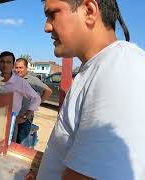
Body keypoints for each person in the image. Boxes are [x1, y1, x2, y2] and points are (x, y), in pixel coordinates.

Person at [25, 0, 145, 180]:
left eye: (53, 14)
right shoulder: (96, 68)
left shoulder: (120, 66)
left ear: (89, 11)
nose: (47, 27)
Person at [0, 51, 41, 144]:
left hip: (11, 124)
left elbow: (36, 98)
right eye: (2, 62)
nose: (5, 65)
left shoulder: (20, 82)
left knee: (8, 150)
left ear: (12, 65)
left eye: (8, 62)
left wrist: (25, 116)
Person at [14, 58, 52, 147]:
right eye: (16, 67)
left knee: (23, 142)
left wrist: (37, 103)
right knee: (14, 141)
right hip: (15, 116)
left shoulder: (32, 80)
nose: (18, 70)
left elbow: (48, 91)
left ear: (26, 68)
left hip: (25, 117)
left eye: (21, 67)